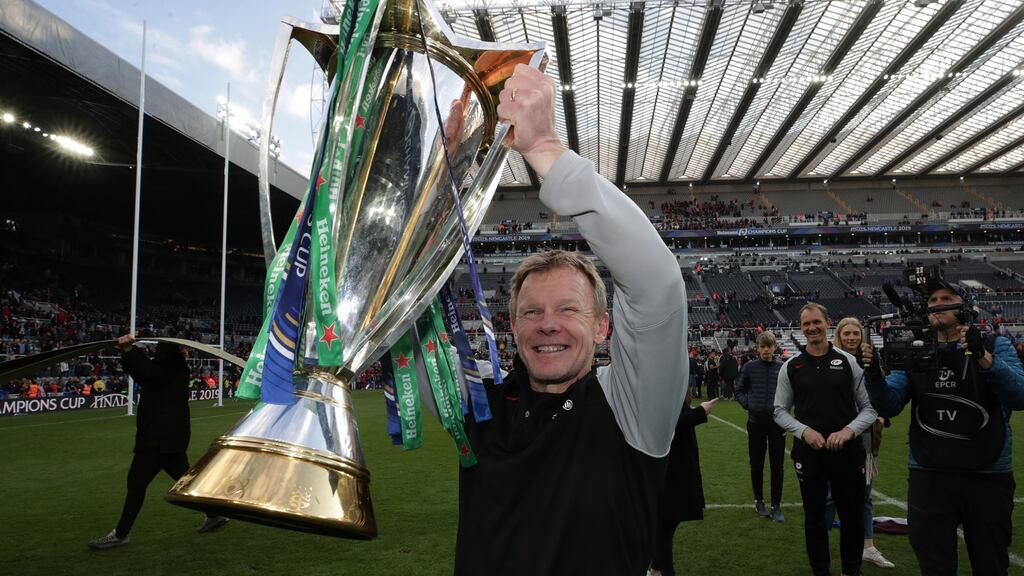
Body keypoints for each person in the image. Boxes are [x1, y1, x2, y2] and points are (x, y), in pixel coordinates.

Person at [445, 63, 688, 575]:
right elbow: (394, 322)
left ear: (603, 326)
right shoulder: (480, 407)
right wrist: (426, 196)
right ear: (513, 327)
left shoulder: (632, 406)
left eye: (568, 310)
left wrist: (545, 151)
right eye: (531, 312)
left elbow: (658, 283)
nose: (547, 324)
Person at [862, 278, 1024, 575]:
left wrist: (983, 358)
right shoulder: (915, 349)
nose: (937, 304)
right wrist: (873, 375)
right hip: (930, 473)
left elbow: (1020, 394)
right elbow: (889, 404)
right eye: (932, 300)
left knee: (991, 563)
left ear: (965, 307)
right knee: (935, 565)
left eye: (945, 298)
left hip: (986, 473)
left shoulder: (995, 344)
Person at [88, 336, 227, 550]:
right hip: (167, 439)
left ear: (167, 352)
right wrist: (127, 353)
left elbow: (149, 373)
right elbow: (144, 375)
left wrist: (130, 350)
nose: (156, 353)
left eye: (159, 349)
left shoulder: (172, 368)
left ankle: (121, 534)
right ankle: (215, 514)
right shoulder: (171, 367)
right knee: (187, 483)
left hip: (159, 440)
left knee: (136, 484)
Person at [774, 303, 877, 576]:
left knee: (852, 516)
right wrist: (803, 431)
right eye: (806, 324)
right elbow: (779, 411)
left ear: (827, 322)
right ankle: (820, 570)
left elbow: (869, 409)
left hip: (847, 452)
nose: (812, 328)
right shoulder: (791, 366)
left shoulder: (847, 361)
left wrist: (848, 431)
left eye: (816, 322)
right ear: (800, 328)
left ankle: (850, 570)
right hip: (809, 455)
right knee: (815, 519)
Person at [827, 317, 894, 568]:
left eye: (856, 333)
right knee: (830, 496)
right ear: (839, 336)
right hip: (836, 436)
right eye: (847, 333)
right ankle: (819, 542)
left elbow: (883, 396)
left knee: (865, 496)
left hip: (865, 439)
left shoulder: (871, 363)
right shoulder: (831, 361)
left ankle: (868, 546)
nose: (852, 337)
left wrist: (882, 416)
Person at [649, 394, 717, 576]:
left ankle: (655, 568)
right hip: (669, 469)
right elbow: (667, 425)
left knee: (665, 527)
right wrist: (700, 412)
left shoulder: (669, 388)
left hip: (676, 466)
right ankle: (661, 570)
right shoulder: (659, 391)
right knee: (664, 528)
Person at [736, 331, 785, 522]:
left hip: (777, 424)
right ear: (757, 348)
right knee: (756, 464)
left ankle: (776, 505)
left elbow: (789, 393)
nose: (766, 350)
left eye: (769, 346)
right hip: (755, 423)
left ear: (775, 347)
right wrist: (749, 404)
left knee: (777, 465)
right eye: (762, 347)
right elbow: (739, 390)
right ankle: (759, 501)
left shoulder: (782, 368)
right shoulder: (749, 367)